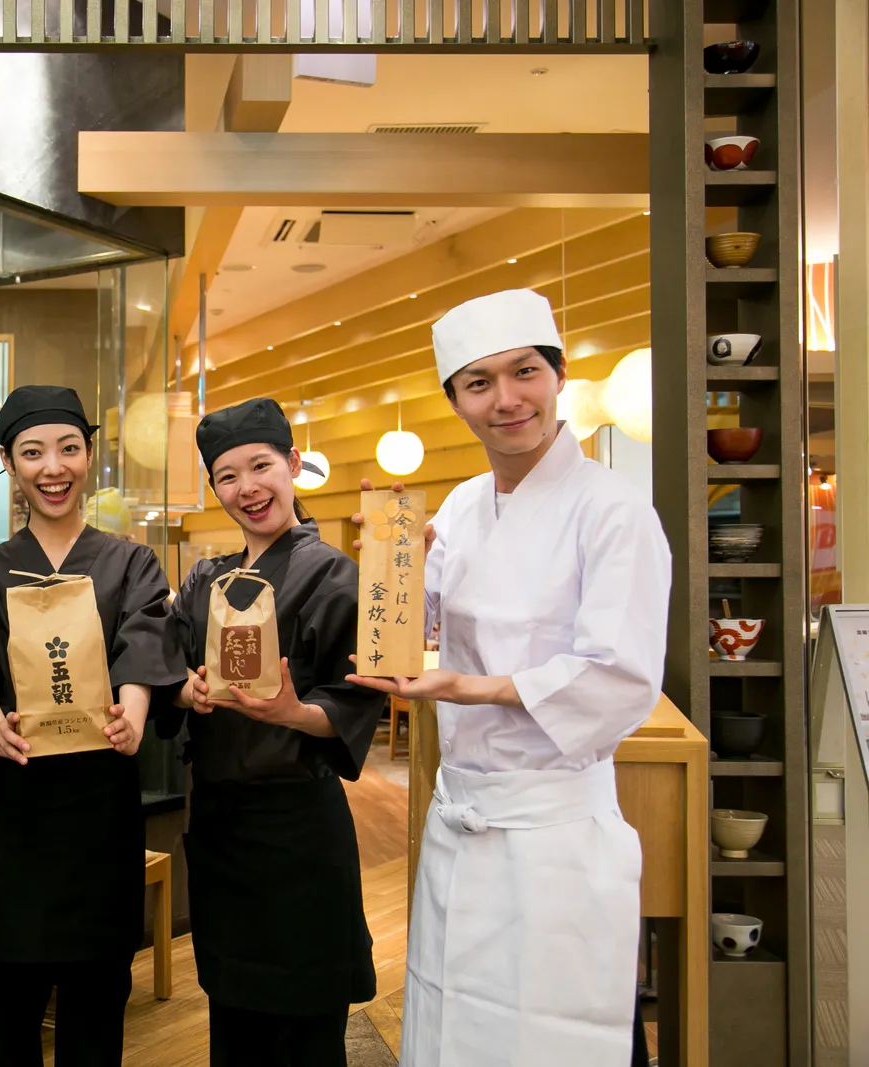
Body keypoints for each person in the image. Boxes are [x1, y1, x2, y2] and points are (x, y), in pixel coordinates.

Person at [347, 289, 671, 1067]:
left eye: (524, 371)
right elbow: (411, 631)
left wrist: (467, 687)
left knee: (547, 1038)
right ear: (456, 400)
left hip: (554, 831)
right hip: (461, 824)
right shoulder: (458, 507)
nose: (507, 398)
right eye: (478, 382)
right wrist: (393, 567)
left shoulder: (614, 511)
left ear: (559, 375)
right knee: (452, 1023)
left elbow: (619, 675)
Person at [0, 384, 187, 1067]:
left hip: (96, 816)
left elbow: (145, 636)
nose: (54, 466)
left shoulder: (130, 560)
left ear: (88, 455)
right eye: (33, 452)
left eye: (68, 448)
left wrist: (133, 714)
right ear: (9, 463)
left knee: (94, 1015)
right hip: (5, 813)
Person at [161, 398, 385, 1067]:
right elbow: (165, 663)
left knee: (305, 1030)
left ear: (292, 464)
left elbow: (353, 702)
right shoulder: (204, 578)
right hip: (222, 826)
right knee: (232, 1016)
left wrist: (291, 711)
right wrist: (186, 687)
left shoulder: (337, 576)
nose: (247, 487)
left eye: (261, 465)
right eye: (227, 476)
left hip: (298, 830)